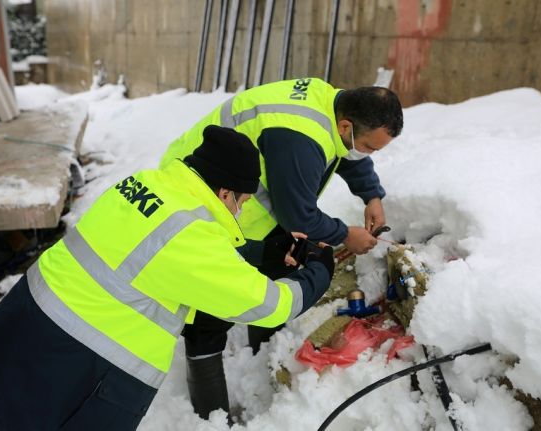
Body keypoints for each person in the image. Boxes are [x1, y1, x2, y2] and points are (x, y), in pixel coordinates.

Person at [0, 125, 335, 430]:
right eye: (243, 200)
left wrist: (264, 253)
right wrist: (318, 271)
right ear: (223, 191)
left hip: (14, 347)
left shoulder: (145, 185)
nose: (242, 209)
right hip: (70, 379)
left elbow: (155, 254)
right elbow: (268, 306)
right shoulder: (192, 235)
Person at [160, 78, 404, 419]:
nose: (369, 154)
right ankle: (209, 415)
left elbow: (345, 150)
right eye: (369, 146)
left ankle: (262, 351)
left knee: (274, 266)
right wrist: (346, 235)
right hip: (204, 200)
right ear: (346, 124)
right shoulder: (299, 138)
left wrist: (371, 194)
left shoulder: (331, 106)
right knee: (209, 311)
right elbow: (299, 216)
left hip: (243, 201)